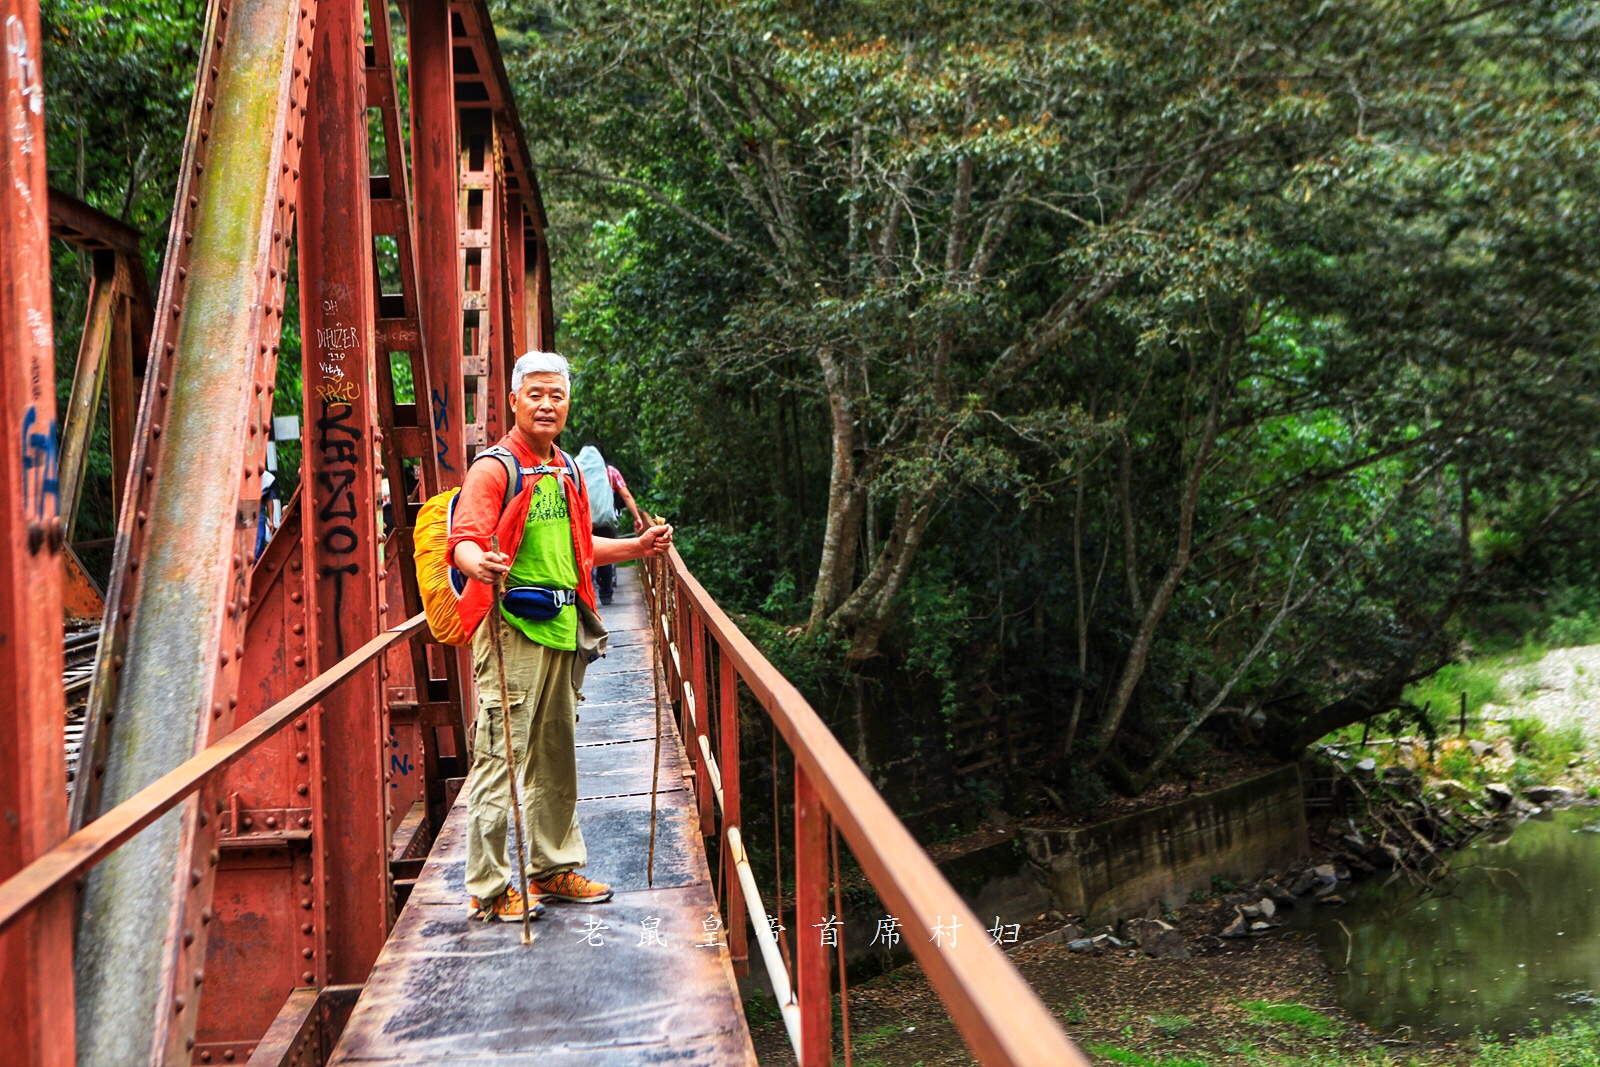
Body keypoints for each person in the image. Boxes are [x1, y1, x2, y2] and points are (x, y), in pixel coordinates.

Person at [448, 351, 674, 922]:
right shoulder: (494, 470)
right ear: (515, 401)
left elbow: (580, 550)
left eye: (557, 395)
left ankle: (552, 868)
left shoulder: (567, 469)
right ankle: (489, 888)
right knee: (499, 755)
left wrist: (637, 548)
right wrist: (477, 564)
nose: (547, 405)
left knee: (555, 755)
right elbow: (465, 538)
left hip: (561, 627)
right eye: (536, 394)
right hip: (511, 632)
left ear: (568, 403)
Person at [573, 441, 645, 606]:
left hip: (584, 522)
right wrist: (637, 517)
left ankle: (587, 596)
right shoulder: (610, 471)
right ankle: (606, 594)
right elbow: (626, 495)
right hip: (606, 521)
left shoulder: (575, 469)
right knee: (606, 557)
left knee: (584, 556)